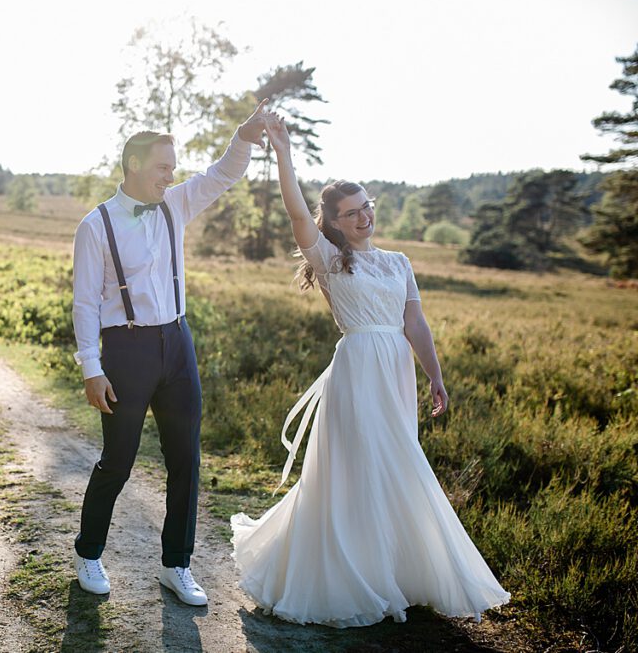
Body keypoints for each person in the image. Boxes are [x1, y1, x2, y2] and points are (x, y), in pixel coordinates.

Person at [230, 112, 510, 627]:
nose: (363, 218)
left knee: (397, 465)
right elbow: (296, 213)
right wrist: (284, 155)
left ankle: (398, 572)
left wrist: (436, 376)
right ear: (334, 221)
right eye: (351, 212)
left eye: (367, 208)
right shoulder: (331, 261)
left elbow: (416, 324)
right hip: (357, 370)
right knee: (356, 467)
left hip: (397, 373)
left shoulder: (399, 262)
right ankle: (349, 573)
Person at [71, 100, 269, 605]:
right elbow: (85, 303)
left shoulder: (176, 204)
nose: (171, 175)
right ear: (135, 163)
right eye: (163, 166)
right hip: (127, 349)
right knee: (118, 460)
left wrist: (243, 137)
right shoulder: (96, 226)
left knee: (186, 460)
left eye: (173, 167)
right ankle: (89, 553)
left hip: (178, 344)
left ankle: (175, 565)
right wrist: (92, 369)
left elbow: (222, 175)